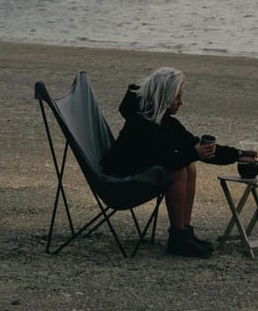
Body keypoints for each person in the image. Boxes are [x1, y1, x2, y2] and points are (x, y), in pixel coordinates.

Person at [101, 66, 248, 258]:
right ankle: (178, 239)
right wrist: (194, 153)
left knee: (189, 166)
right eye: (177, 97)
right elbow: (163, 159)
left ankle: (184, 232)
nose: (181, 102)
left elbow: (195, 146)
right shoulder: (140, 123)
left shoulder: (166, 122)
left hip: (138, 172)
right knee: (179, 170)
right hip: (119, 182)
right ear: (164, 97)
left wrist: (239, 154)